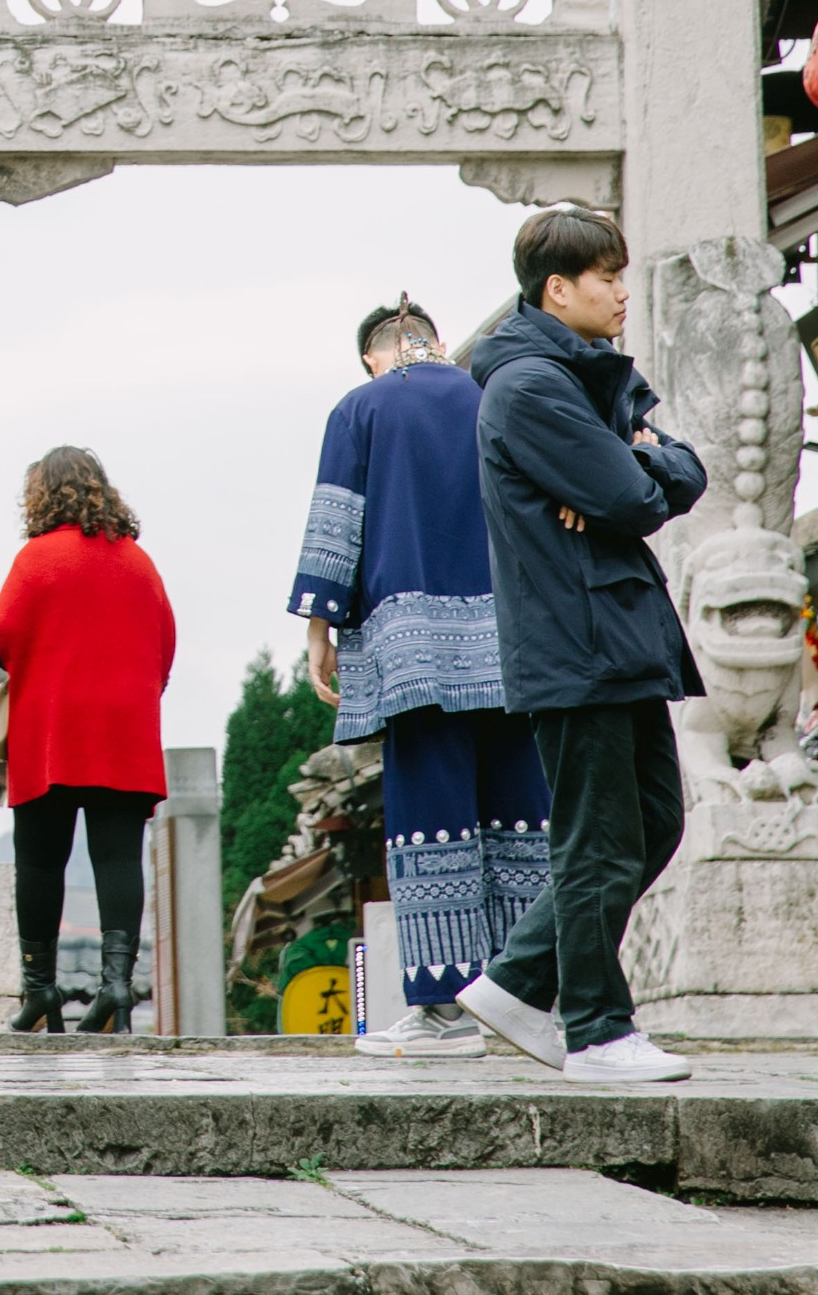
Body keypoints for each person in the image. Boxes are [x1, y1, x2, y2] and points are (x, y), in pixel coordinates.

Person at [458, 206, 708, 1086]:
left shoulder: (580, 380)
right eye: (605, 277)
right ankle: (598, 1030)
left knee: (655, 823)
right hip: (578, 635)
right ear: (556, 289)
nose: (620, 292)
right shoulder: (531, 387)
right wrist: (629, 465)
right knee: (597, 839)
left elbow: (679, 468)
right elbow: (638, 498)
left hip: (616, 632)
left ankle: (520, 981)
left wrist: (638, 461)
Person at [289, 290, 548, 1056]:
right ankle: (525, 998)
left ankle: (442, 1009)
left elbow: (338, 521)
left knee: (430, 823)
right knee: (522, 819)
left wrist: (319, 626)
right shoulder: (493, 394)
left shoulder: (361, 408)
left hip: (412, 651)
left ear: (376, 354)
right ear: (436, 343)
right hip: (514, 640)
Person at [0, 446, 175, 1036]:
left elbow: (5, 638)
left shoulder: (36, 558)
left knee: (40, 860)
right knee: (119, 857)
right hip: (124, 724)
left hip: (51, 725)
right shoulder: (139, 562)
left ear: (41, 495)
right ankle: (117, 988)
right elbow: (164, 643)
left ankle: (40, 990)